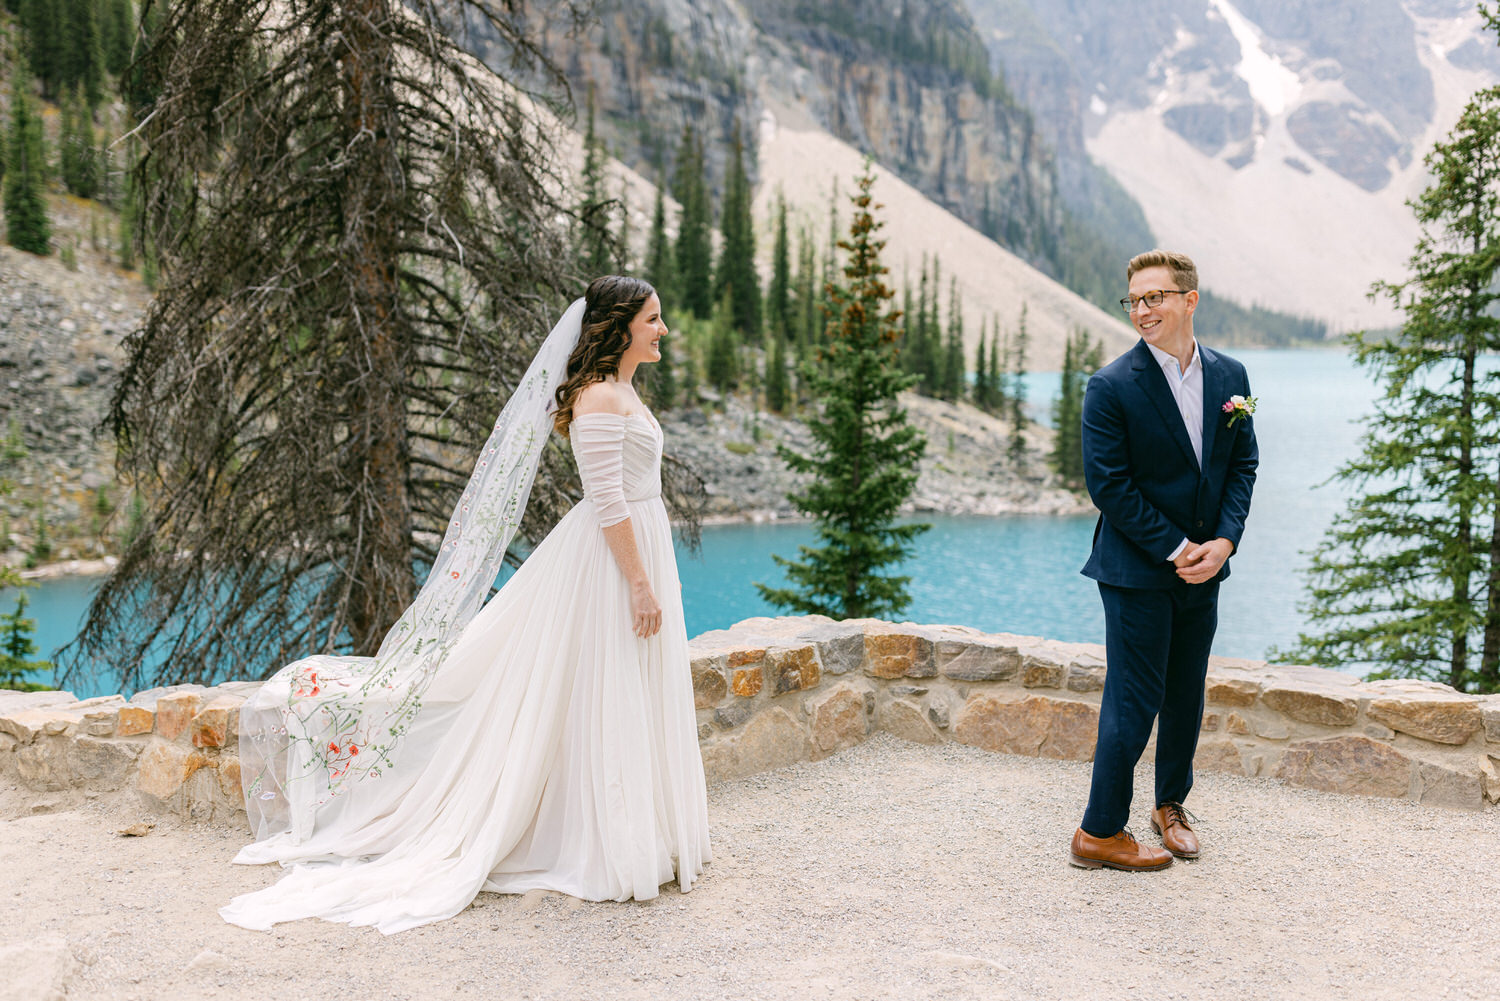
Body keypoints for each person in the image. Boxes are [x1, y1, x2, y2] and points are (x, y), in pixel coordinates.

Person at [221, 276, 711, 933]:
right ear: (620, 326)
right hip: (610, 566)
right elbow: (606, 500)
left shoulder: (622, 391)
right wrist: (641, 584)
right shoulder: (597, 397)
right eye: (653, 318)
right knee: (608, 688)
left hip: (636, 553)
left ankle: (642, 832)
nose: (663, 329)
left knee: (632, 690)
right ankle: (609, 844)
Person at [1068, 250, 1257, 871]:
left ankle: (1170, 804)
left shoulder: (1231, 377)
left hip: (1206, 567)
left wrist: (1223, 542)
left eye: (1155, 298)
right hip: (1136, 571)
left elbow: (1241, 467)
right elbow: (1110, 487)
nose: (1142, 311)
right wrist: (1177, 549)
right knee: (1134, 699)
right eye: (1135, 301)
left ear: (1189, 301)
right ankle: (1099, 831)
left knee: (1185, 694)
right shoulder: (1111, 385)